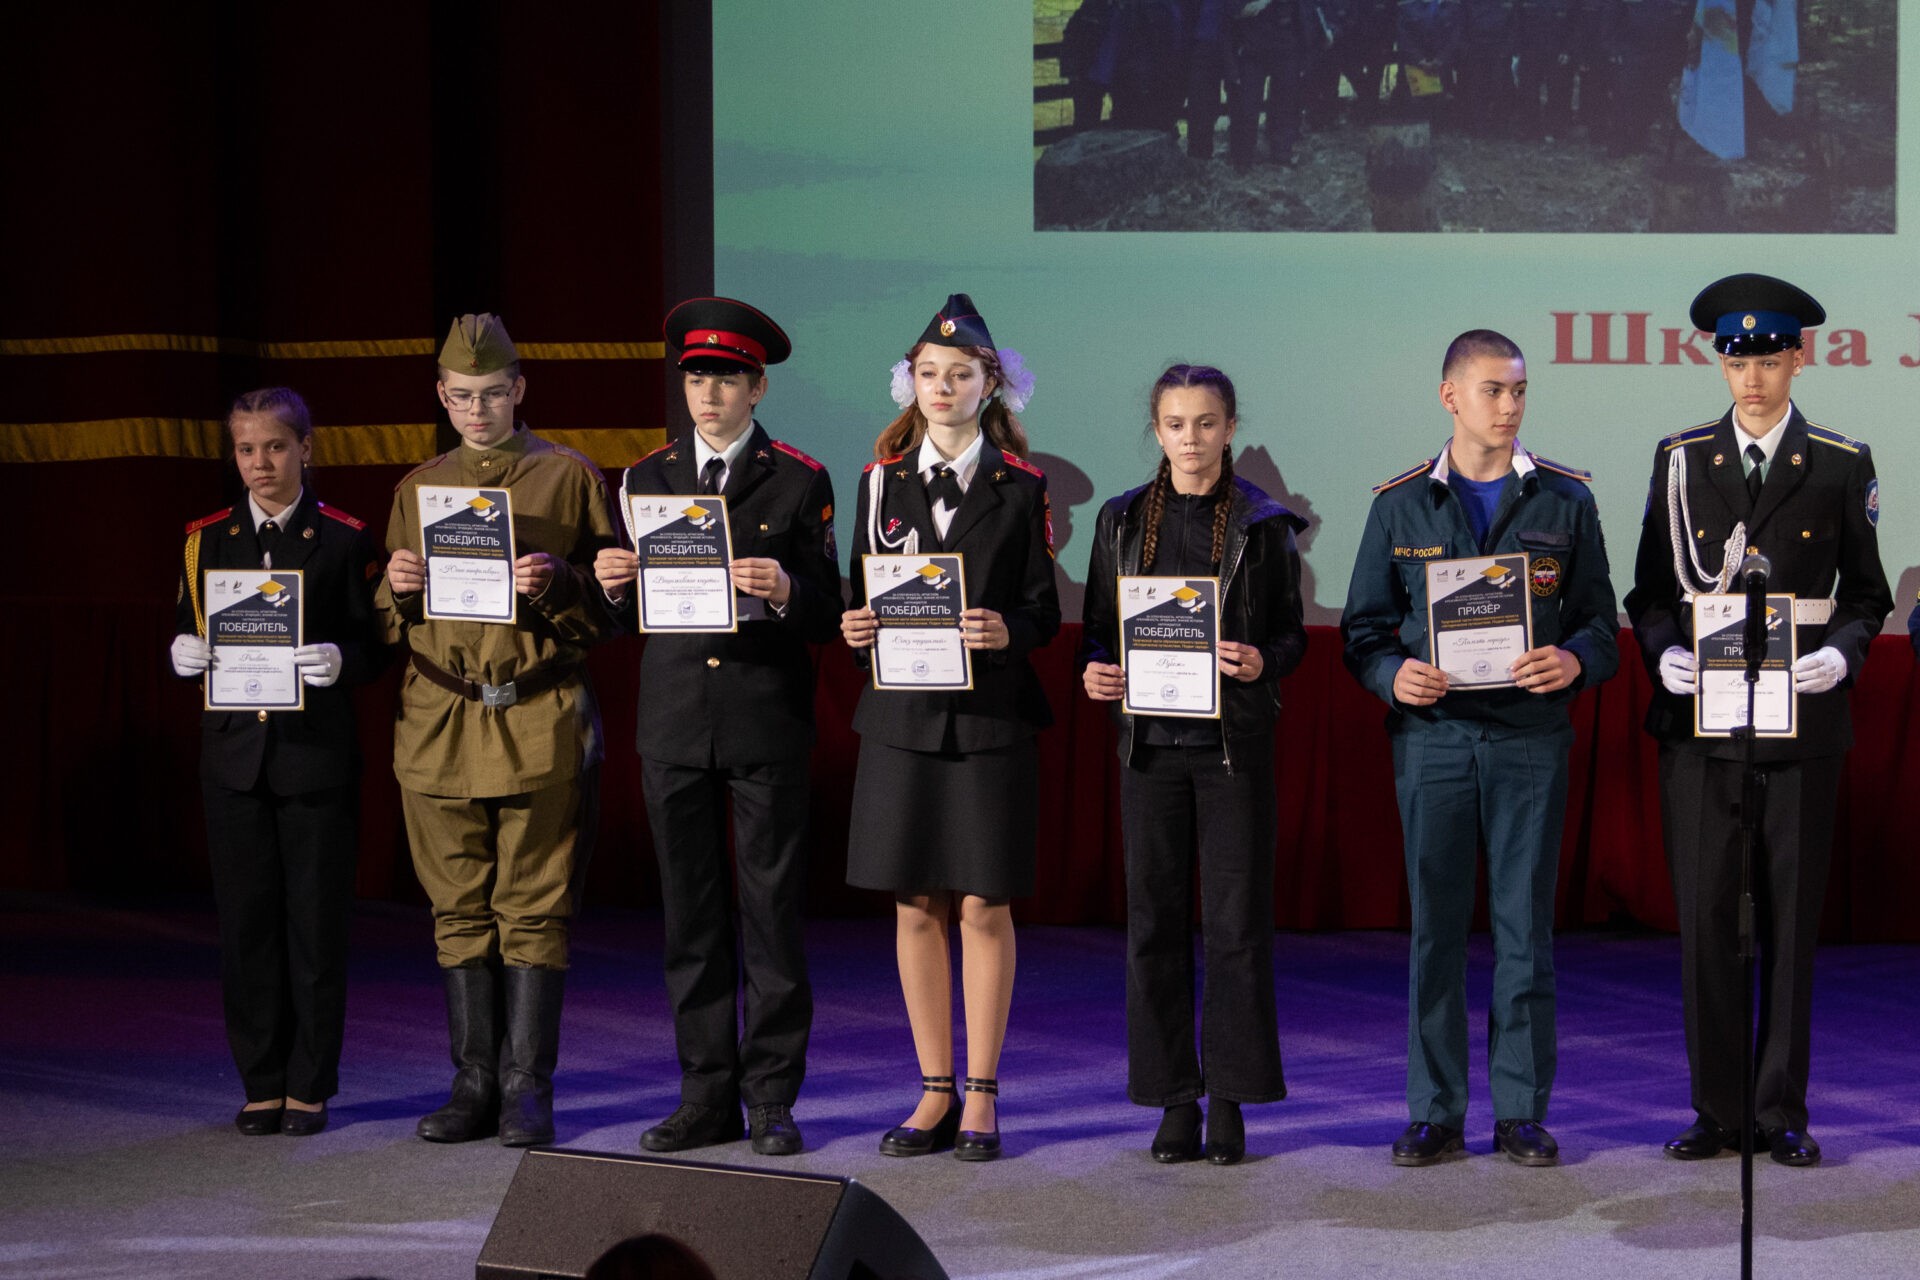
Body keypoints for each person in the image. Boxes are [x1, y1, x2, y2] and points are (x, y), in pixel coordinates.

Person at [1624, 273, 1891, 1167]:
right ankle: (1717, 1109)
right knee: (1706, 923)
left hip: (1802, 726)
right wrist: (1661, 648)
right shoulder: (1681, 460)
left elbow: (1867, 595)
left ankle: (1779, 1111)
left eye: (1769, 361)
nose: (1752, 379)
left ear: (1798, 361)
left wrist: (1843, 656)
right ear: (1720, 363)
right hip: (1702, 728)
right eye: (1737, 361)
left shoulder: (1842, 462)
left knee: (1788, 924)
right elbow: (1648, 591)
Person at [1342, 329, 1618, 1167]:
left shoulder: (1565, 498)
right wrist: (1393, 676)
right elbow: (1361, 632)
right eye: (1494, 390)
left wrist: (1574, 660)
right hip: (1435, 739)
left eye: (1520, 390)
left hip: (1530, 738)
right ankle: (1434, 1111)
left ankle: (1520, 1111)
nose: (1510, 405)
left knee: (1525, 929)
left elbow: (1601, 625)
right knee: (1434, 929)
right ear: (1450, 396)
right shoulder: (1399, 504)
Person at [593, 298, 840, 1157]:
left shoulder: (799, 478)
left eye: (727, 378)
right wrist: (611, 585)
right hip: (673, 724)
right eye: (696, 377)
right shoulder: (644, 478)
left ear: (757, 388)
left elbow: (829, 612)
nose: (708, 393)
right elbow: (622, 618)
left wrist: (786, 589)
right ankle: (704, 1096)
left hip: (764, 718)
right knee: (690, 921)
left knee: (771, 918)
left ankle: (770, 1097)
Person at [376, 313, 619, 1147]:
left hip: (537, 715)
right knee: (456, 907)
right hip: (440, 719)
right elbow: (386, 619)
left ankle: (525, 1088)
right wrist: (396, 584)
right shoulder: (418, 490)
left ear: (518, 390)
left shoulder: (569, 478)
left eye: (490, 394)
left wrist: (559, 582)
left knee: (534, 907)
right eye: (461, 397)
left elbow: (612, 613)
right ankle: (473, 1081)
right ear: (442, 398)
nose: (476, 411)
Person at [839, 294, 1058, 1162]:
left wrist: (1008, 630)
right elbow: (859, 591)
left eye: (959, 374)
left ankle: (982, 1094)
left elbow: (1042, 611)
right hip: (901, 715)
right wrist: (856, 627)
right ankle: (932, 1088)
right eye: (929, 373)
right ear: (911, 384)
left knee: (982, 900)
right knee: (914, 899)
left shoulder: (1021, 486)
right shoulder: (876, 482)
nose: (942, 387)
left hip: (988, 717)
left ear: (987, 385)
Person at [1080, 364, 1308, 1164]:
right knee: (1153, 925)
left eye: (1206, 423)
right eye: (1176, 424)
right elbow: (1098, 631)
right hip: (1148, 749)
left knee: (1237, 928)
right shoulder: (1119, 520)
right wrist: (1095, 669)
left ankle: (1231, 1100)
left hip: (1231, 750)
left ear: (1230, 428)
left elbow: (1291, 635)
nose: (1191, 439)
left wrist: (1262, 661)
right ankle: (1174, 1098)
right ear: (1157, 430)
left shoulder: (1264, 522)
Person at [169, 387, 386, 1136]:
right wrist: (180, 652)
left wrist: (342, 659)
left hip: (313, 760)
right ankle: (261, 1080)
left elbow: (376, 647)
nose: (260, 463)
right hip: (234, 761)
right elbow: (186, 625)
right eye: (246, 449)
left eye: (274, 447)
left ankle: (309, 1083)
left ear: (305, 448)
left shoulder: (345, 539)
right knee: (247, 927)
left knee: (315, 928)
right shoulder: (205, 540)